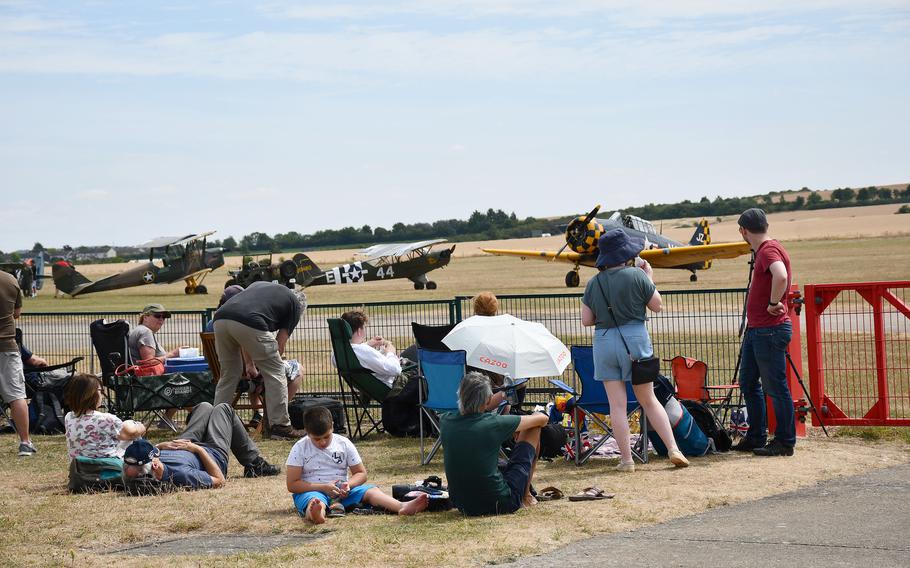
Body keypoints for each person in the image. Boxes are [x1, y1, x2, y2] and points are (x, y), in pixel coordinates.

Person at [580, 229, 689, 471]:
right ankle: (673, 449)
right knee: (649, 400)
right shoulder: (636, 276)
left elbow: (587, 320)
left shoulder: (593, 283)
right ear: (626, 253)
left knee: (616, 406)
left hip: (605, 342)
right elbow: (657, 305)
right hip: (635, 341)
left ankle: (627, 461)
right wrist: (649, 277)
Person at [286, 406, 428, 523]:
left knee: (371, 491)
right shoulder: (300, 448)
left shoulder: (343, 443)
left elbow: (361, 473)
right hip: (312, 491)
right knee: (314, 501)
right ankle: (317, 514)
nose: (322, 442)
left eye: (326, 436)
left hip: (342, 492)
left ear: (332, 427)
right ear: (307, 432)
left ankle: (401, 506)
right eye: (316, 439)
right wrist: (323, 487)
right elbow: (292, 484)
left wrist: (349, 485)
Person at [733, 208, 796, 457]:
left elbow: (780, 276)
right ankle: (756, 435)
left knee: (775, 386)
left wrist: (773, 302)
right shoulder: (768, 248)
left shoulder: (768, 251)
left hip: (769, 329)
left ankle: (784, 441)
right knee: (748, 382)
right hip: (757, 329)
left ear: (743, 231)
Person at [439, 372, 547, 516]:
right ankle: (525, 496)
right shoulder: (493, 423)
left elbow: (474, 412)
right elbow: (542, 420)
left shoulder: (446, 421)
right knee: (533, 428)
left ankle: (526, 494)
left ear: (460, 394)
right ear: (488, 399)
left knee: (497, 463)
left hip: (462, 504)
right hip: (501, 503)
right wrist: (532, 418)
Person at [213, 281, 307, 439]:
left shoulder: (259, 287)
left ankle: (215, 423)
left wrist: (250, 364)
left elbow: (246, 336)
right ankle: (280, 426)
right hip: (249, 321)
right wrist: (265, 365)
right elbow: (279, 345)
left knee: (229, 375)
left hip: (221, 318)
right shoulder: (295, 307)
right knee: (276, 370)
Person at [122, 402, 280, 490]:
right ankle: (254, 463)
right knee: (223, 409)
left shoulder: (134, 470)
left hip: (182, 446)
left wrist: (161, 446)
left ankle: (203, 429)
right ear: (155, 464)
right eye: (155, 454)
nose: (156, 453)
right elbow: (219, 480)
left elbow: (141, 460)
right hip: (210, 455)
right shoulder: (180, 474)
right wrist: (197, 449)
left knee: (204, 406)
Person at [63, 373, 145, 459]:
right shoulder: (106, 419)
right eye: (100, 390)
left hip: (79, 467)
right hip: (108, 466)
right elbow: (130, 433)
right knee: (134, 434)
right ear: (91, 394)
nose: (102, 395)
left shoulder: (69, 417)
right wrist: (141, 426)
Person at [128, 303, 185, 425]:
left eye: (164, 317)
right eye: (157, 316)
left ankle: (169, 419)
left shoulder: (141, 331)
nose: (161, 319)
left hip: (139, 382)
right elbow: (148, 364)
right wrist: (172, 354)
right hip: (148, 384)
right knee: (186, 384)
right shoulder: (145, 332)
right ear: (145, 317)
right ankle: (201, 415)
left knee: (185, 383)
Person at [0, 270, 36, 456]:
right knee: (16, 395)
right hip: (6, 345)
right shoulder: (10, 279)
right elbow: (16, 313)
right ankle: (25, 442)